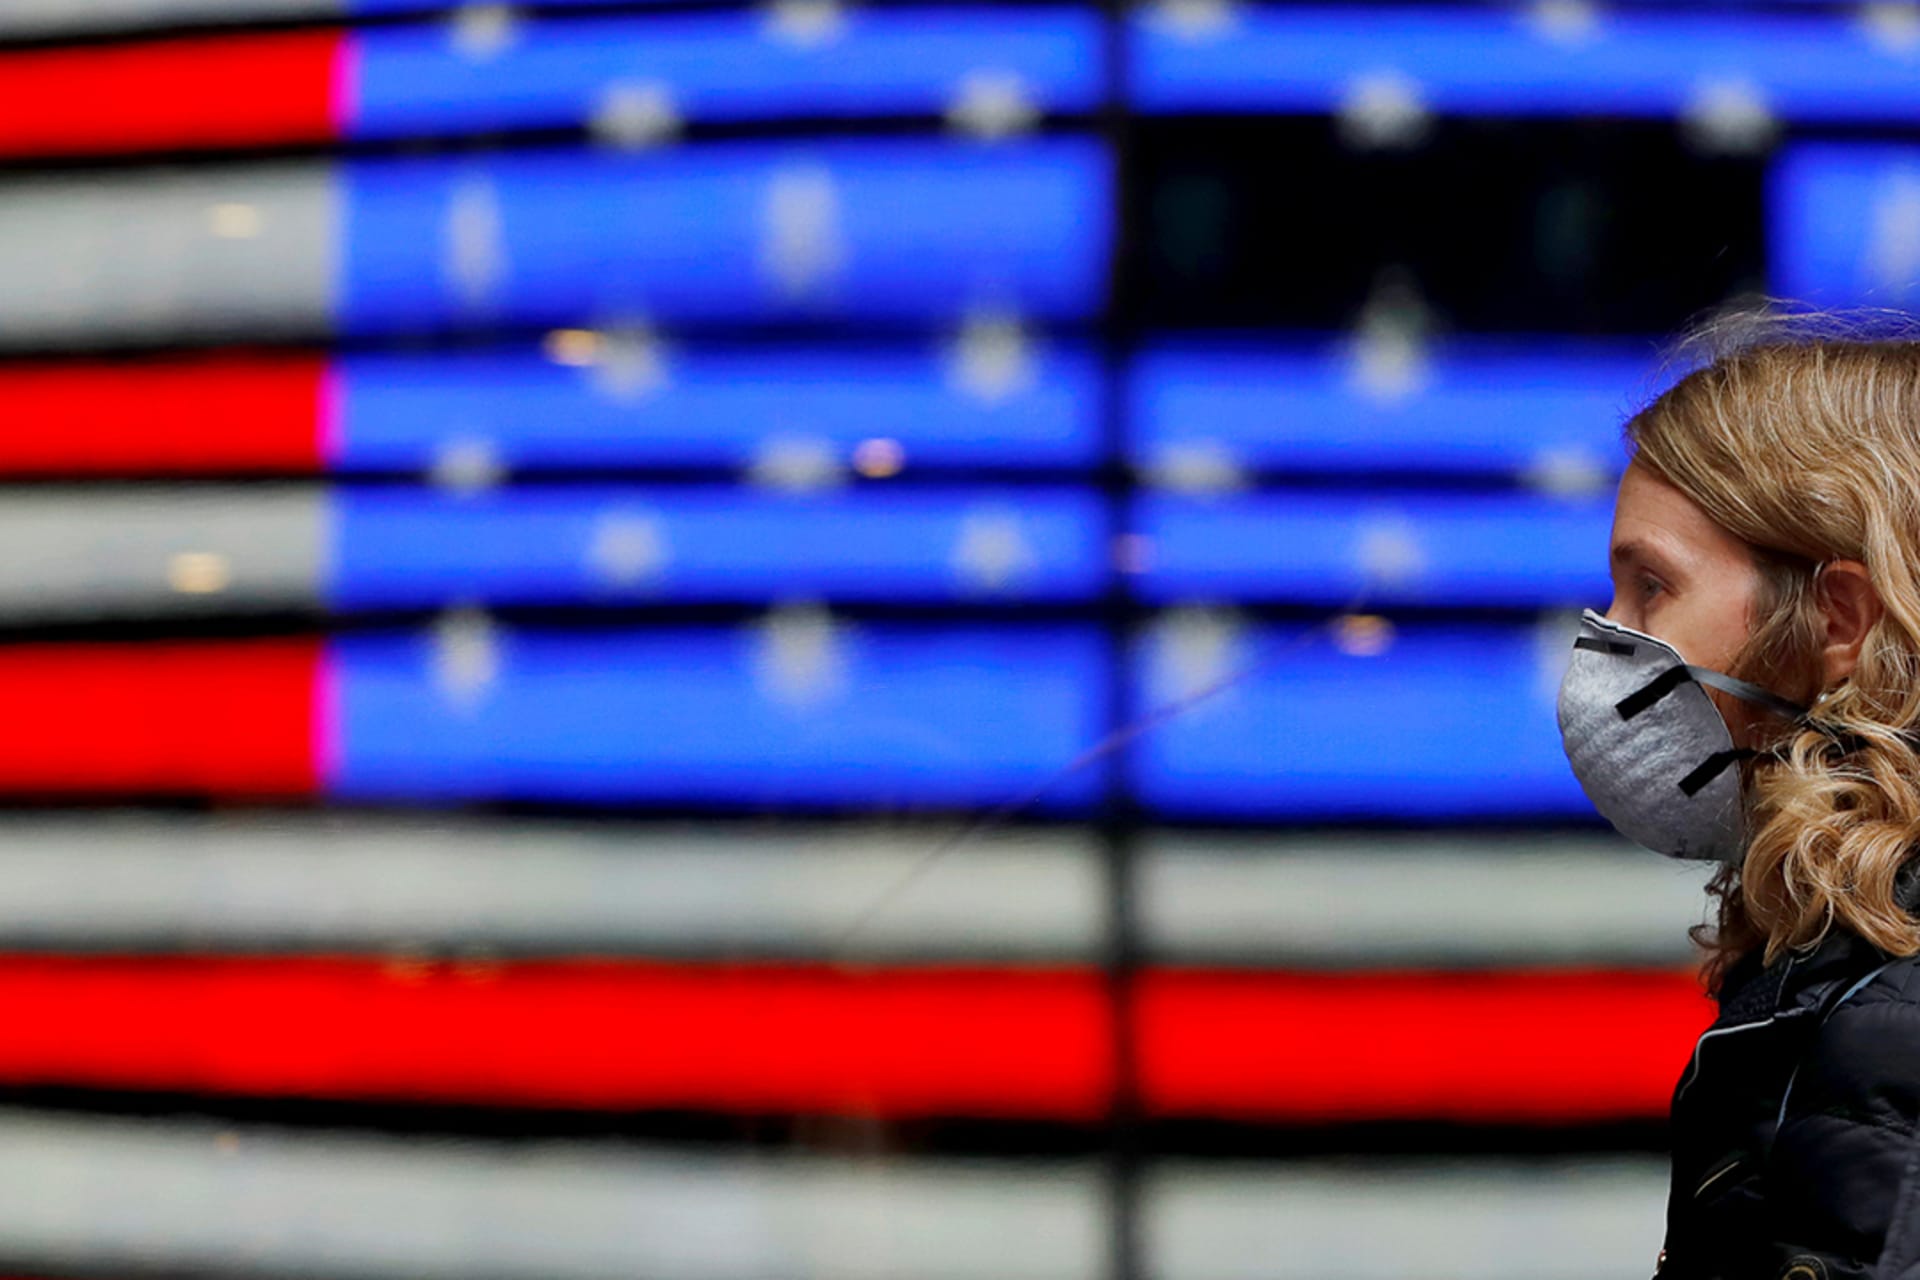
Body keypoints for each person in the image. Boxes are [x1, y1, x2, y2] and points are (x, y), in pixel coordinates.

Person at [1556, 316, 1920, 1280]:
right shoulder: (1836, 969)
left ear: (1838, 621)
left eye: (1652, 587)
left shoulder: (1888, 1016)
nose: (1604, 642)